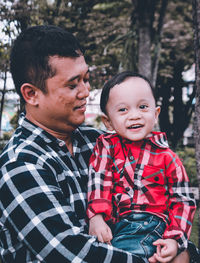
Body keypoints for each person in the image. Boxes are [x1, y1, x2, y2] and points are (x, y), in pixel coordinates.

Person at [0, 25, 145, 263]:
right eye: (72, 84)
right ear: (31, 94)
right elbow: (69, 254)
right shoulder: (22, 164)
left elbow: (150, 205)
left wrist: (181, 249)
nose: (86, 91)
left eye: (86, 79)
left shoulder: (99, 142)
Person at [87, 71, 197, 263]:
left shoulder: (167, 157)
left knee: (127, 256)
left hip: (150, 223)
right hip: (115, 227)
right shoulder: (106, 147)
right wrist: (96, 217)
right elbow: (99, 180)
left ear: (155, 114)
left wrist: (174, 239)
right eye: (123, 110)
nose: (135, 116)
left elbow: (183, 201)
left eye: (143, 107)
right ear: (108, 121)